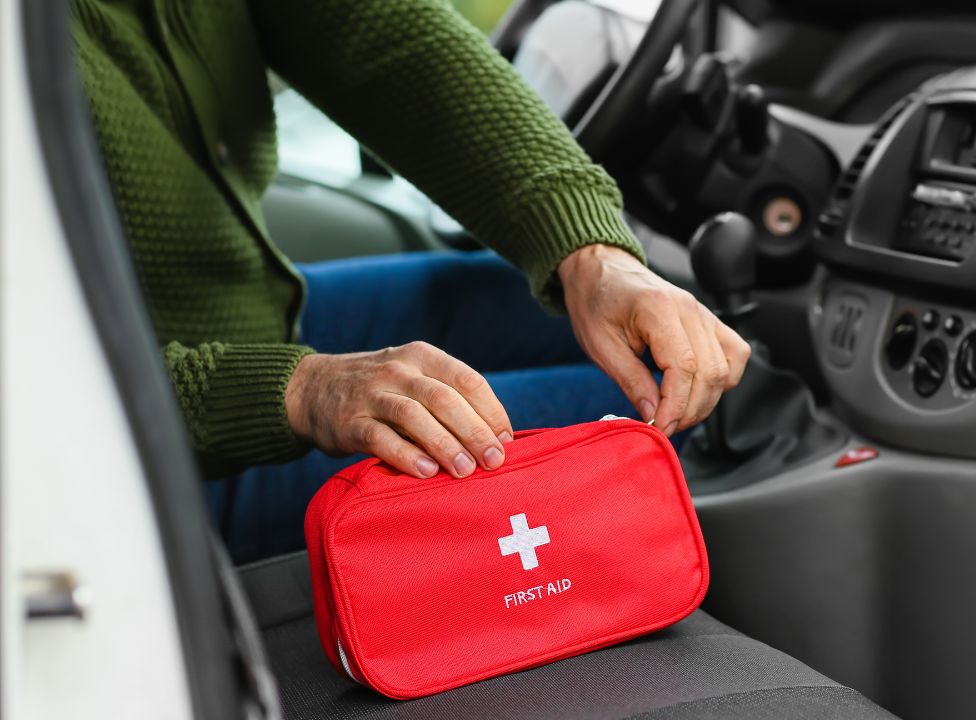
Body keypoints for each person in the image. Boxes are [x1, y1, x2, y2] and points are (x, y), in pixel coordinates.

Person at [71, 0, 749, 562]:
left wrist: (595, 254)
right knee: (665, 420)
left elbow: (384, 39)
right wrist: (304, 390)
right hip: (144, 462)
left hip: (250, 315)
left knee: (530, 307)